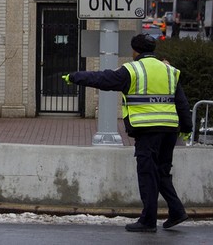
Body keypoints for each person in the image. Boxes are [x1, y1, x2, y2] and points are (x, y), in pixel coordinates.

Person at [62, 34, 191, 232]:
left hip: (147, 130)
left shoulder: (132, 70)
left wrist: (75, 77)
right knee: (161, 172)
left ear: (134, 51)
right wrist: (187, 127)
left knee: (147, 173)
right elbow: (181, 102)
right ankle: (176, 211)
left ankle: (148, 221)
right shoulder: (169, 70)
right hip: (169, 130)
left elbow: (102, 79)